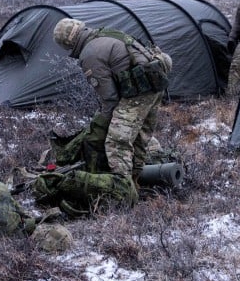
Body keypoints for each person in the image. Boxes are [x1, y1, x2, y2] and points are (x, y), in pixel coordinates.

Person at [51, 18, 169, 184]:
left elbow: (110, 99)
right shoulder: (105, 33)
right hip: (155, 84)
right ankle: (136, 181)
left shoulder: (89, 54)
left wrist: (100, 126)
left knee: (116, 143)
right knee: (139, 139)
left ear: (66, 43)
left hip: (138, 93)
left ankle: (123, 191)